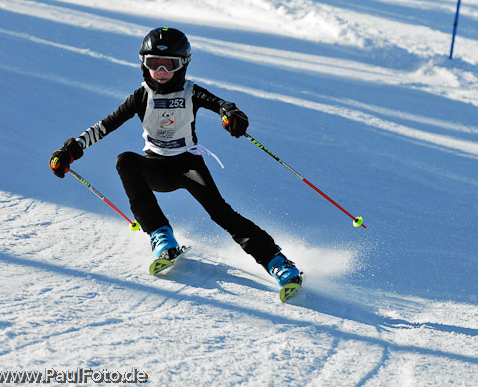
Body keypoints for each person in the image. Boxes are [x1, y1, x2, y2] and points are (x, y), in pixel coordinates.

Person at [49, 27, 301, 289]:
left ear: (183, 66)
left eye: (168, 65)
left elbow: (223, 106)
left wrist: (232, 116)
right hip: (155, 167)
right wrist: (70, 150)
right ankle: (160, 234)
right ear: (143, 64)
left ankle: (278, 262)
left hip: (189, 166)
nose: (160, 72)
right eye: (153, 64)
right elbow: (104, 126)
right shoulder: (141, 96)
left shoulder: (192, 92)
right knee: (126, 161)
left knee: (222, 213)